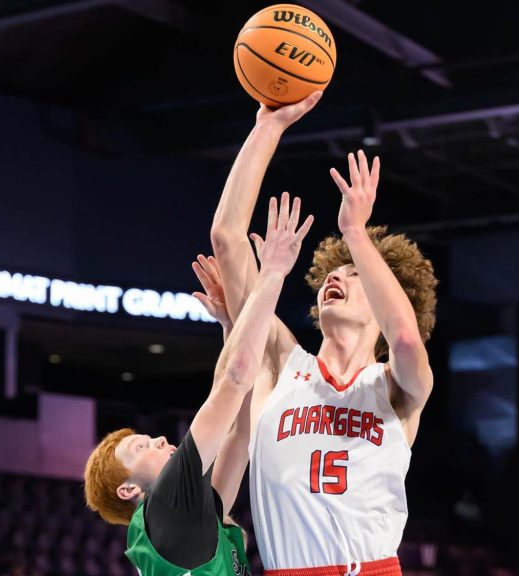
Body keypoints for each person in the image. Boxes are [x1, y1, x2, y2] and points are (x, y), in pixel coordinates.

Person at [210, 93, 438, 576]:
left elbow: (404, 337)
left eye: (356, 276)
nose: (338, 278)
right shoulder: (281, 363)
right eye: (336, 274)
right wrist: (267, 128)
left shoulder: (398, 390)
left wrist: (355, 231)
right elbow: (228, 238)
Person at [84, 196, 314, 576]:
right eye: (140, 447)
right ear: (128, 490)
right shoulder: (166, 503)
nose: (157, 440)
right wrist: (272, 273)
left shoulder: (185, 518)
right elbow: (236, 378)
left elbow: (240, 435)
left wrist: (230, 327)